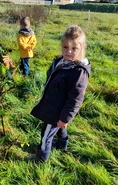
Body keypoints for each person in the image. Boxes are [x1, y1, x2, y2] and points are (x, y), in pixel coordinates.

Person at [30, 25, 91, 162]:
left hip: (57, 110)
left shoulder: (78, 71)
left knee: (46, 134)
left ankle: (40, 159)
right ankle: (62, 144)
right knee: (59, 126)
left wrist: (65, 118)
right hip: (53, 104)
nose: (69, 52)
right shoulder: (60, 61)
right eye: (65, 47)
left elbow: (76, 98)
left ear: (82, 48)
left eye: (74, 48)